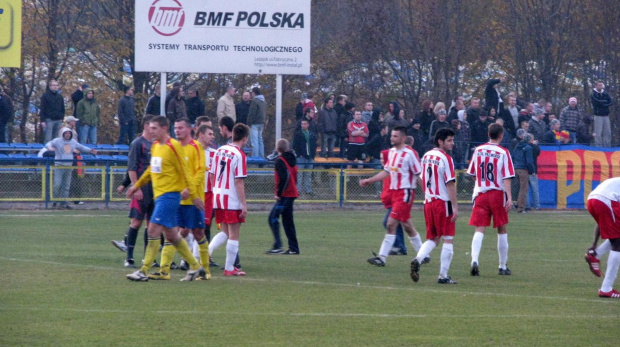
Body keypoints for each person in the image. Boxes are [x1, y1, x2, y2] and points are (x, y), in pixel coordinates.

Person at [125, 115, 203, 282]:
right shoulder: (155, 146)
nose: (151, 131)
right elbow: (150, 171)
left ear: (164, 128)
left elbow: (186, 172)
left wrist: (194, 194)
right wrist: (136, 185)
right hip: (159, 196)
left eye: (155, 128)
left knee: (152, 229)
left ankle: (143, 270)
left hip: (170, 196)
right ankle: (195, 267)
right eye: (150, 128)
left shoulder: (173, 146)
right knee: (172, 236)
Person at [150, 118, 211, 281]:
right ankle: (164, 270)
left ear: (190, 129)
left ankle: (205, 271)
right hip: (176, 198)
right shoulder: (173, 146)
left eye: (181, 128)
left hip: (193, 199)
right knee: (172, 232)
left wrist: (190, 191)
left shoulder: (196, 147)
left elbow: (199, 173)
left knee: (198, 233)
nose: (177, 131)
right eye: (175, 128)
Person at [360, 126, 423, 267]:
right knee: (407, 225)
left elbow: (419, 174)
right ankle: (423, 254)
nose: (391, 138)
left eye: (395, 136)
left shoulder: (410, 154)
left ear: (402, 138)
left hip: (405, 193)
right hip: (395, 193)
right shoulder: (392, 152)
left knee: (390, 224)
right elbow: (386, 172)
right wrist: (369, 180)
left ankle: (381, 258)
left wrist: (427, 194)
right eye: (391, 136)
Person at [410, 128, 459, 284]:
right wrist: (455, 207)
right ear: (440, 141)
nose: (452, 143)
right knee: (448, 238)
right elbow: (450, 184)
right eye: (449, 140)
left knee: (433, 238)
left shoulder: (426, 156)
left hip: (429, 202)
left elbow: (422, 179)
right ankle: (443, 276)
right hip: (442, 203)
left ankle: (418, 259)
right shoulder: (446, 159)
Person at [468, 123, 515, 276]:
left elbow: (473, 173)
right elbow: (507, 177)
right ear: (501, 135)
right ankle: (502, 266)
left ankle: (474, 260)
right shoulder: (503, 152)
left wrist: (481, 183)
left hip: (481, 193)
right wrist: (509, 196)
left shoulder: (479, 150)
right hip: (497, 194)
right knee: (502, 228)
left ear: (488, 134)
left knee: (479, 228)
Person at [206, 123, 250, 276]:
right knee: (234, 233)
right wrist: (243, 204)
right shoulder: (239, 155)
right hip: (231, 198)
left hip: (218, 196)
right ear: (245, 139)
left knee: (224, 231)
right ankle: (229, 268)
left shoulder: (219, 150)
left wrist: (215, 191)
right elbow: (238, 181)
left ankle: (207, 252)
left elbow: (211, 175)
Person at [111, 115, 155, 268]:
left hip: (155, 189)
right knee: (136, 222)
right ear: (146, 126)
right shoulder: (138, 144)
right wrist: (135, 187)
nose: (154, 129)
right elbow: (132, 168)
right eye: (152, 126)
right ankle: (129, 258)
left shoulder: (157, 145)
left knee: (151, 226)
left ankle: (147, 258)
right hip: (141, 189)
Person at [584, 177, 620, 298]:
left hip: (592, 199)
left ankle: (595, 254)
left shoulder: (615, 183)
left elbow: (603, 222)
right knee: (618, 243)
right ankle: (606, 289)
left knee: (617, 235)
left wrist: (594, 244)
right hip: (606, 201)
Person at [45, 128, 97, 209]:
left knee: (66, 186)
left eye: (69, 133)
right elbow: (49, 144)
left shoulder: (73, 142)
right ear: (63, 134)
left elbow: (81, 147)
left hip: (69, 166)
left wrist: (90, 150)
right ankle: (54, 201)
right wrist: (50, 148)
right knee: (57, 185)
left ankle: (64, 203)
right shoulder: (57, 140)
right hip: (59, 166)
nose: (67, 134)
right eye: (66, 133)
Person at [266, 139, 300, 255]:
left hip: (285, 195)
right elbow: (294, 177)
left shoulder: (280, 161)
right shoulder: (293, 159)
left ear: (278, 149)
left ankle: (278, 245)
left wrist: (278, 194)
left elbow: (284, 178)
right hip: (292, 193)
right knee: (288, 221)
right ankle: (294, 248)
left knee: (272, 218)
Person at [511, 133, 535, 213]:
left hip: (516, 168)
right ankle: (521, 208)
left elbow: (512, 156)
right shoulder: (528, 148)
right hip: (523, 169)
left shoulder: (517, 146)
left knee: (518, 188)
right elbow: (529, 161)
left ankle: (517, 204)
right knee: (523, 189)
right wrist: (532, 171)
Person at [293, 118, 317, 195]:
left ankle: (308, 190)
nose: (303, 125)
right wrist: (299, 154)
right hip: (301, 157)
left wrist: (313, 155)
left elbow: (314, 145)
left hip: (310, 157)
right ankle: (298, 190)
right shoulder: (298, 134)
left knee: (308, 174)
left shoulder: (312, 134)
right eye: (302, 124)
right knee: (300, 174)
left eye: (304, 124)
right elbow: (295, 145)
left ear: (308, 125)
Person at [591, 81, 613, 147]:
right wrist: (605, 102)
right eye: (599, 85)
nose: (600, 86)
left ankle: (607, 146)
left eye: (601, 85)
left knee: (608, 132)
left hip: (606, 115)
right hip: (598, 115)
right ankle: (598, 147)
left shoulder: (605, 93)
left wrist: (604, 103)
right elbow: (596, 102)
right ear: (596, 86)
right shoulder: (593, 94)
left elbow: (611, 102)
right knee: (598, 132)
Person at [247, 87, 266, 158]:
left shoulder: (254, 101)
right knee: (260, 140)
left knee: (254, 141)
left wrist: (248, 123)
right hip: (261, 123)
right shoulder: (263, 101)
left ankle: (255, 158)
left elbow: (252, 113)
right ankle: (261, 157)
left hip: (254, 123)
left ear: (254, 93)